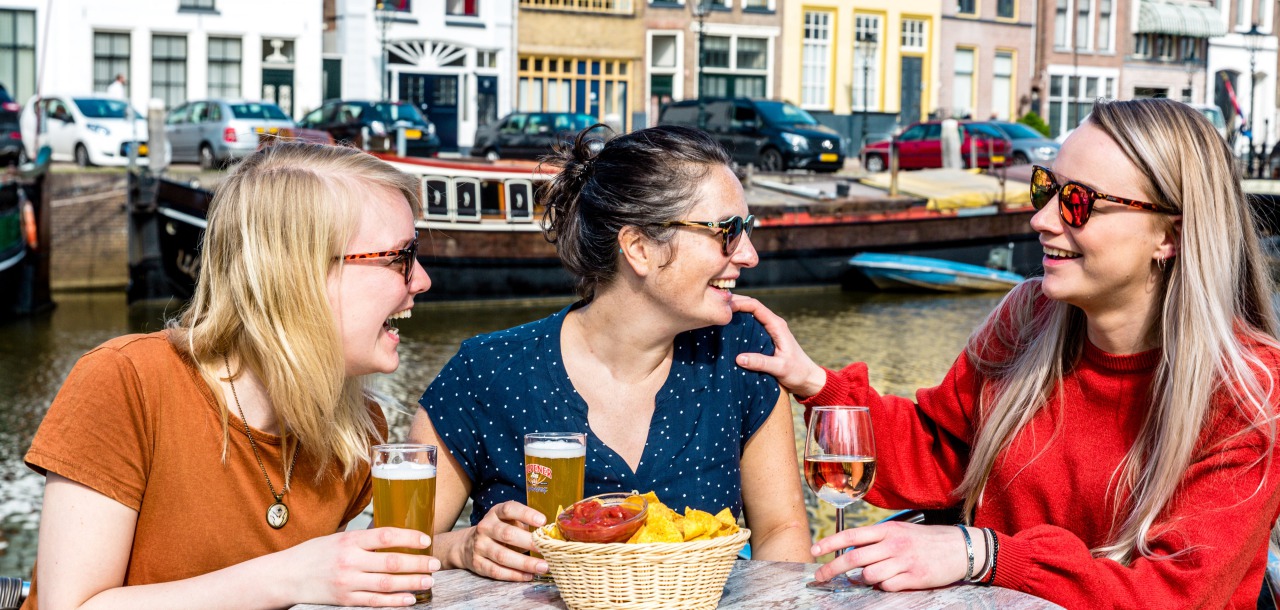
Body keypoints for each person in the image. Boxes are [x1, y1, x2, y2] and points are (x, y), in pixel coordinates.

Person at [733, 98, 1280, 607]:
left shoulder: (1250, 393)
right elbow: (939, 451)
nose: (1042, 219)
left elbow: (1175, 595)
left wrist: (983, 554)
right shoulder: (1029, 316)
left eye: (1078, 202)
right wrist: (814, 383)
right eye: (1047, 189)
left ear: (1170, 236)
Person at [22, 143, 439, 609]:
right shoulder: (127, 382)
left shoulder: (358, 431)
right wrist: (289, 577)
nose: (420, 279)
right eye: (399, 257)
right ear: (297, 274)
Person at [411, 125, 812, 581]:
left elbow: (782, 530)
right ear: (639, 248)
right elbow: (399, 548)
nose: (750, 255)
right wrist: (462, 546)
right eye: (728, 231)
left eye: (748, 229)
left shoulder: (743, 353)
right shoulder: (485, 372)